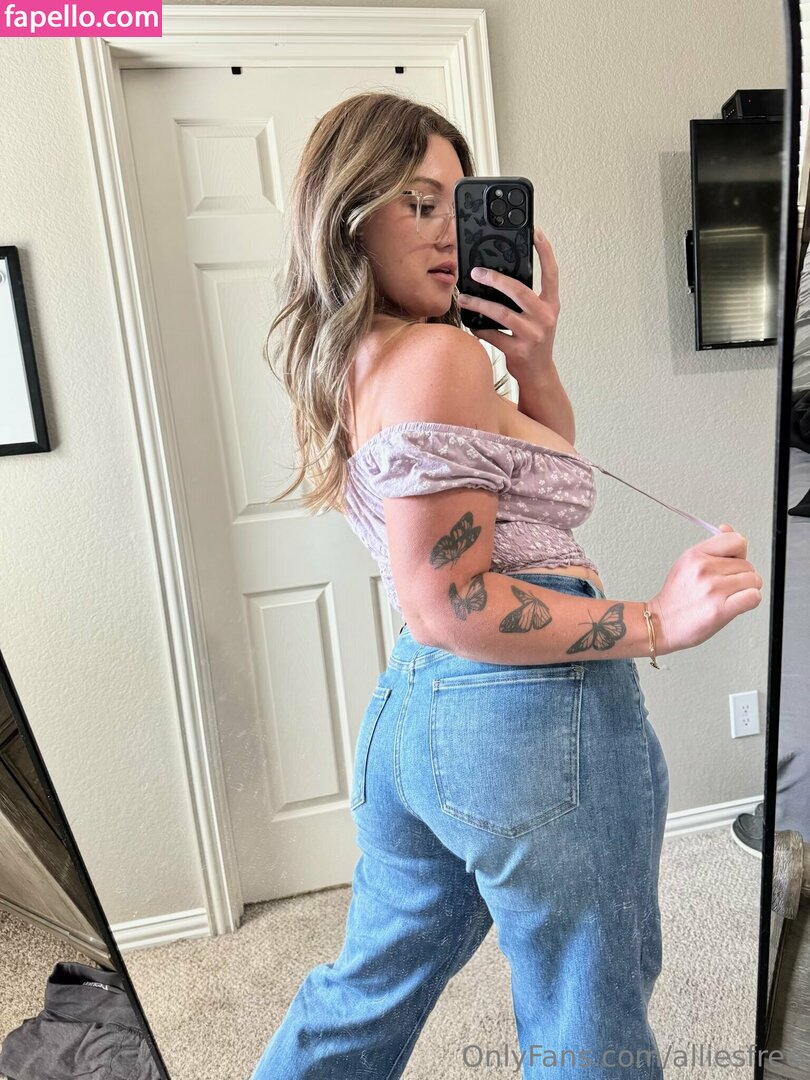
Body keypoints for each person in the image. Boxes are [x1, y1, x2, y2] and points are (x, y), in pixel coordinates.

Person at [249, 91, 763, 1080]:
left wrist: (533, 362)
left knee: (366, 991)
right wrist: (658, 620)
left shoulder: (368, 355)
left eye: (458, 202)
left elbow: (537, 479)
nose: (447, 232)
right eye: (417, 202)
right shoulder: (438, 354)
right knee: (588, 1014)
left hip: (420, 712)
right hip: (526, 715)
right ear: (348, 213)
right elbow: (454, 600)